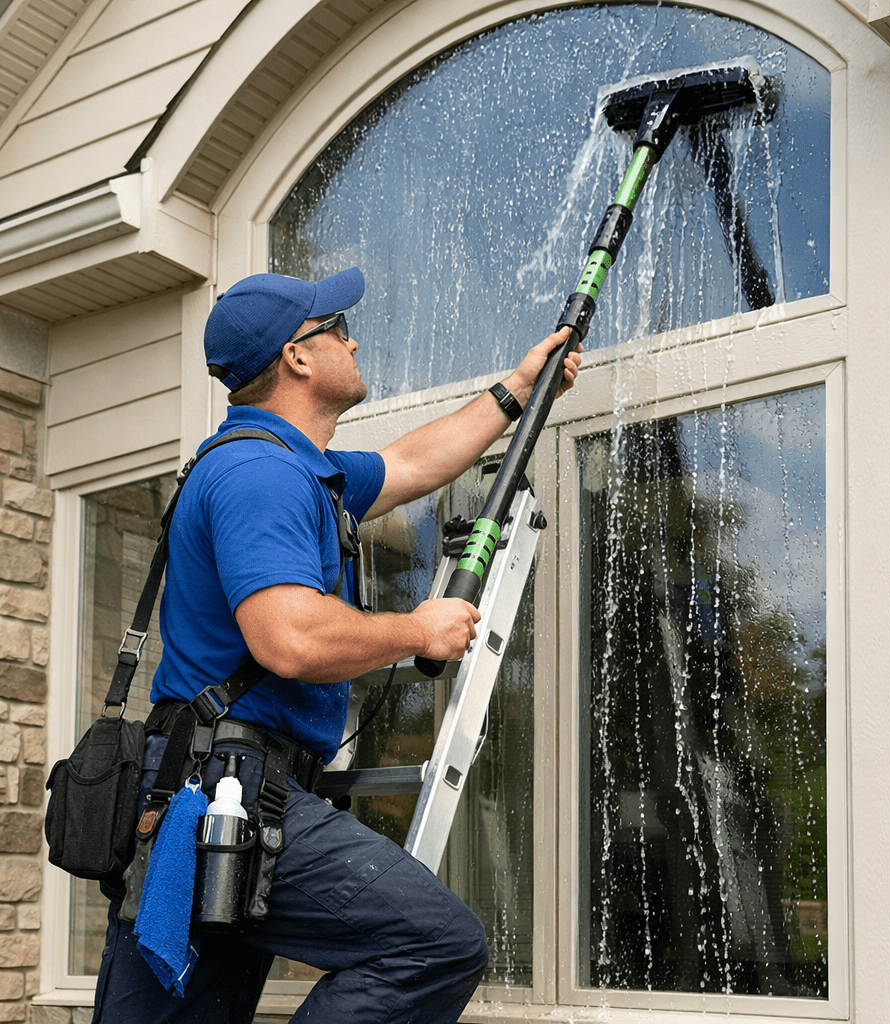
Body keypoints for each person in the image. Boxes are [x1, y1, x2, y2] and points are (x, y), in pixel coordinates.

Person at [92, 267, 581, 1024]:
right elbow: (289, 638)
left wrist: (517, 388)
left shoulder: (296, 470)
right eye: (336, 329)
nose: (353, 340)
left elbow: (414, 464)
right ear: (298, 357)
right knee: (434, 945)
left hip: (213, 788)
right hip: (227, 787)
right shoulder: (262, 475)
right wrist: (419, 630)